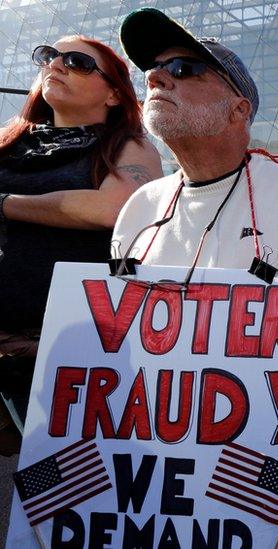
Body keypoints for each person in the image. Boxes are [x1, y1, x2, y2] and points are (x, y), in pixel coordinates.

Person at [111, 7, 278, 513]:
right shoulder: (140, 208)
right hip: (155, 457)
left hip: (273, 458)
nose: (156, 77)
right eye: (154, 70)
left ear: (239, 110)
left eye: (184, 69)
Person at [0, 35, 161, 453]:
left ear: (112, 93)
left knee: (66, 480)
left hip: (70, 349)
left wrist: (5, 205)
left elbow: (111, 208)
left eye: (77, 62)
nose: (57, 64)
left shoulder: (129, 146)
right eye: (49, 55)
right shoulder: (7, 142)